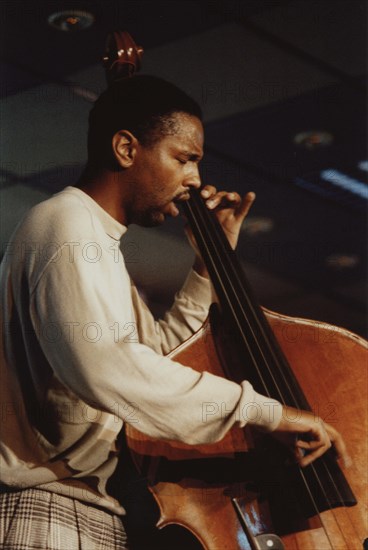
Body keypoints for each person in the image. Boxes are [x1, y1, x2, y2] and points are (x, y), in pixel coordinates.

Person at [0, 75, 348, 549]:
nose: (195, 180)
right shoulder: (68, 226)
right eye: (184, 158)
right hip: (48, 508)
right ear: (126, 148)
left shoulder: (97, 243)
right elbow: (113, 369)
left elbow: (162, 363)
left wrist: (207, 268)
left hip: (85, 508)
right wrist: (269, 413)